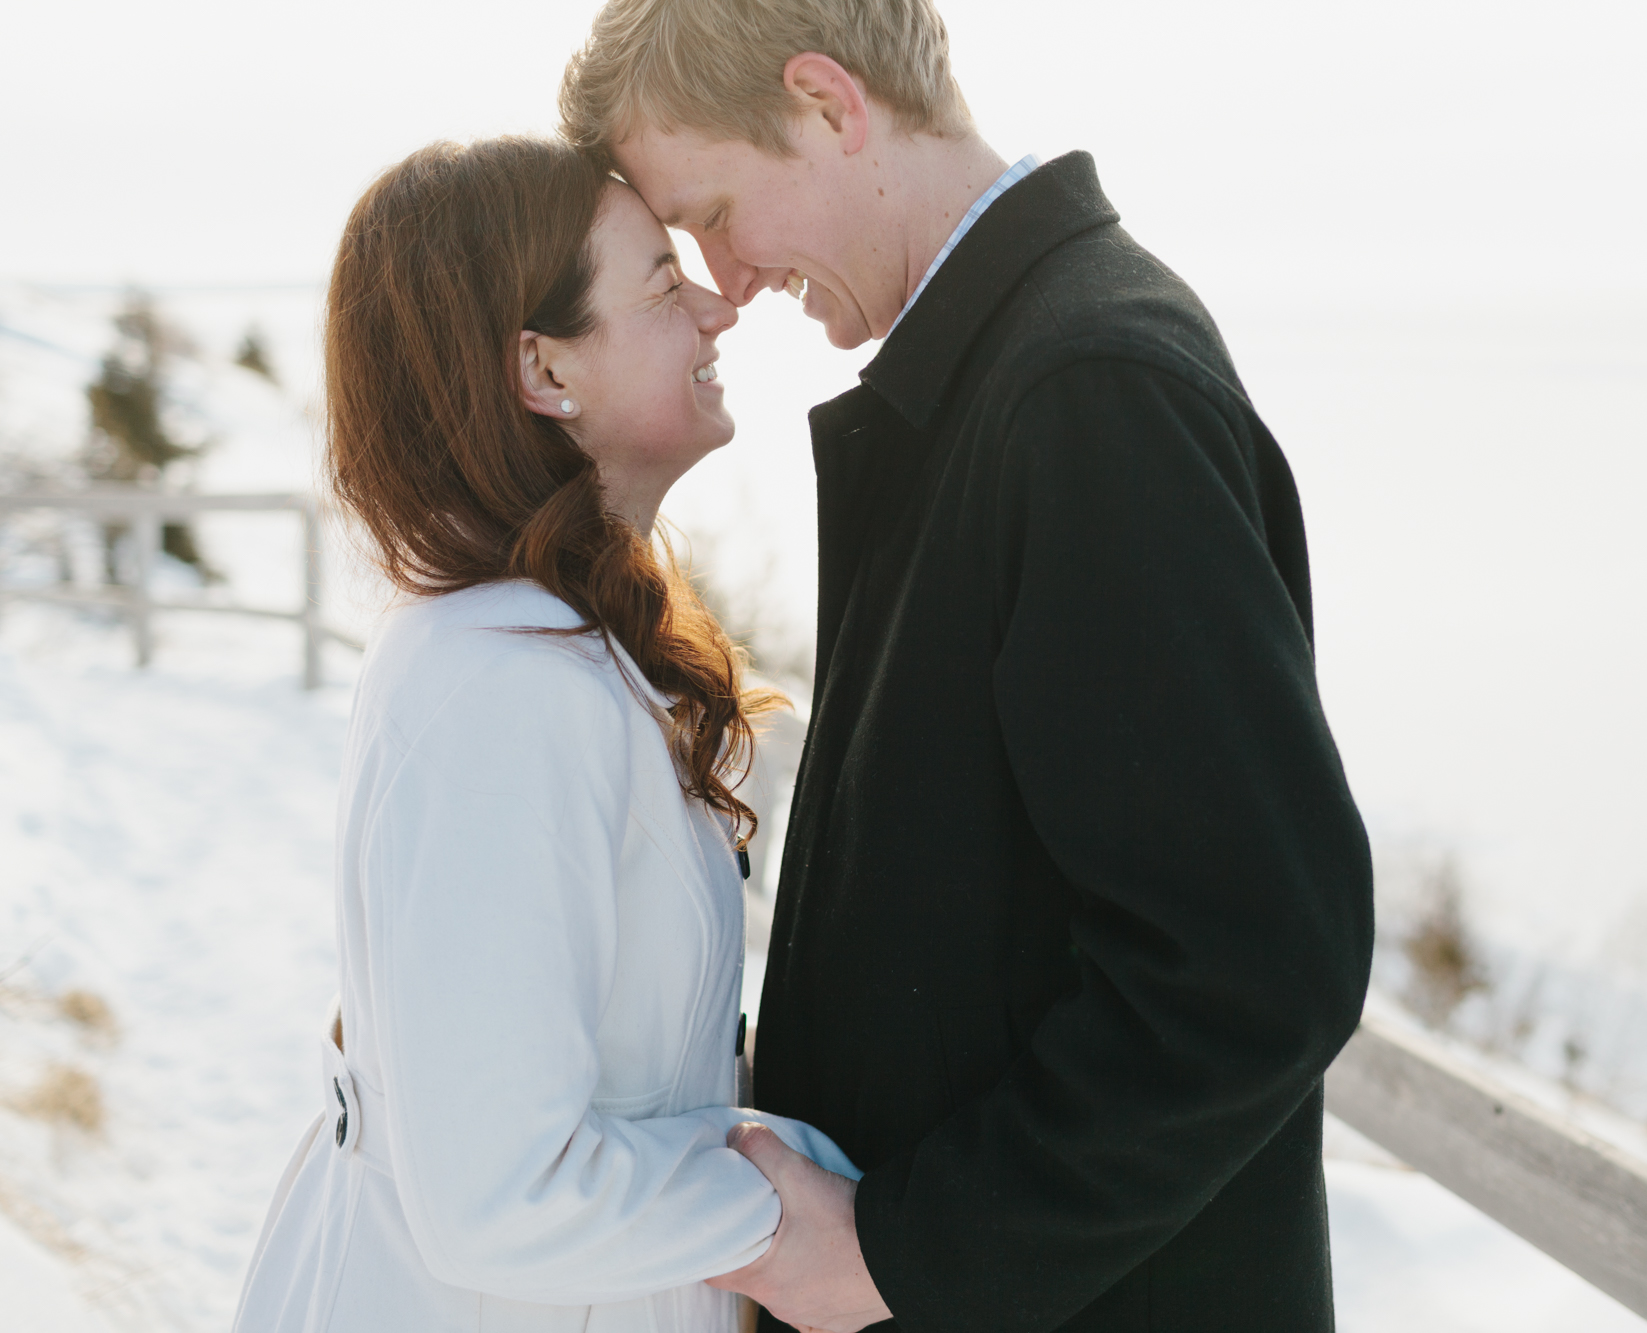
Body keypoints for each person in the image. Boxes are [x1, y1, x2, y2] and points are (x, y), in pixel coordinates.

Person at [558, 3, 1377, 1331]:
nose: (727, 279)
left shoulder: (1086, 387)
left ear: (828, 106)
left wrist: (902, 1252)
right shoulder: (1007, 378)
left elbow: (1253, 963)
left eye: (712, 210)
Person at [231, 136, 858, 1333]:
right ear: (540, 367)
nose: (718, 311)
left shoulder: (531, 646)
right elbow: (499, 1191)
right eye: (663, 285)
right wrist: (782, 1221)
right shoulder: (507, 684)